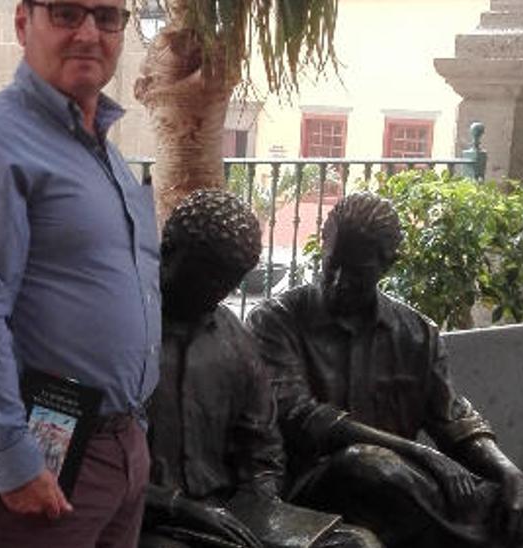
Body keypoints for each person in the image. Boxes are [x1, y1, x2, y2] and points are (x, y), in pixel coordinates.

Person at [246, 193, 523, 548]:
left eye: (357, 273)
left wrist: (510, 475)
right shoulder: (275, 322)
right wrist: (425, 455)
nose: (340, 281)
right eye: (332, 265)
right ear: (323, 248)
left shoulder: (416, 333)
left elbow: (453, 419)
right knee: (369, 464)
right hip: (310, 489)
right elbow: (302, 416)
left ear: (386, 266)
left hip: (403, 490)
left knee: (408, 482)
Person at [0, 1, 160, 547]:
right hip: (48, 458)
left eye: (107, 18)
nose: (89, 34)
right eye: (66, 14)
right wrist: (13, 459)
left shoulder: (105, 152)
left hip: (120, 444)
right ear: (22, 23)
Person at [143, 189, 380, 548]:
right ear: (169, 251)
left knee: (357, 543)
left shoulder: (235, 341)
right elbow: (84, 465)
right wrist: (180, 508)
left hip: (229, 512)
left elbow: (262, 446)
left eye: (227, 282)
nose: (216, 293)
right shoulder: (119, 331)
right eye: (205, 277)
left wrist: (262, 503)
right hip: (150, 519)